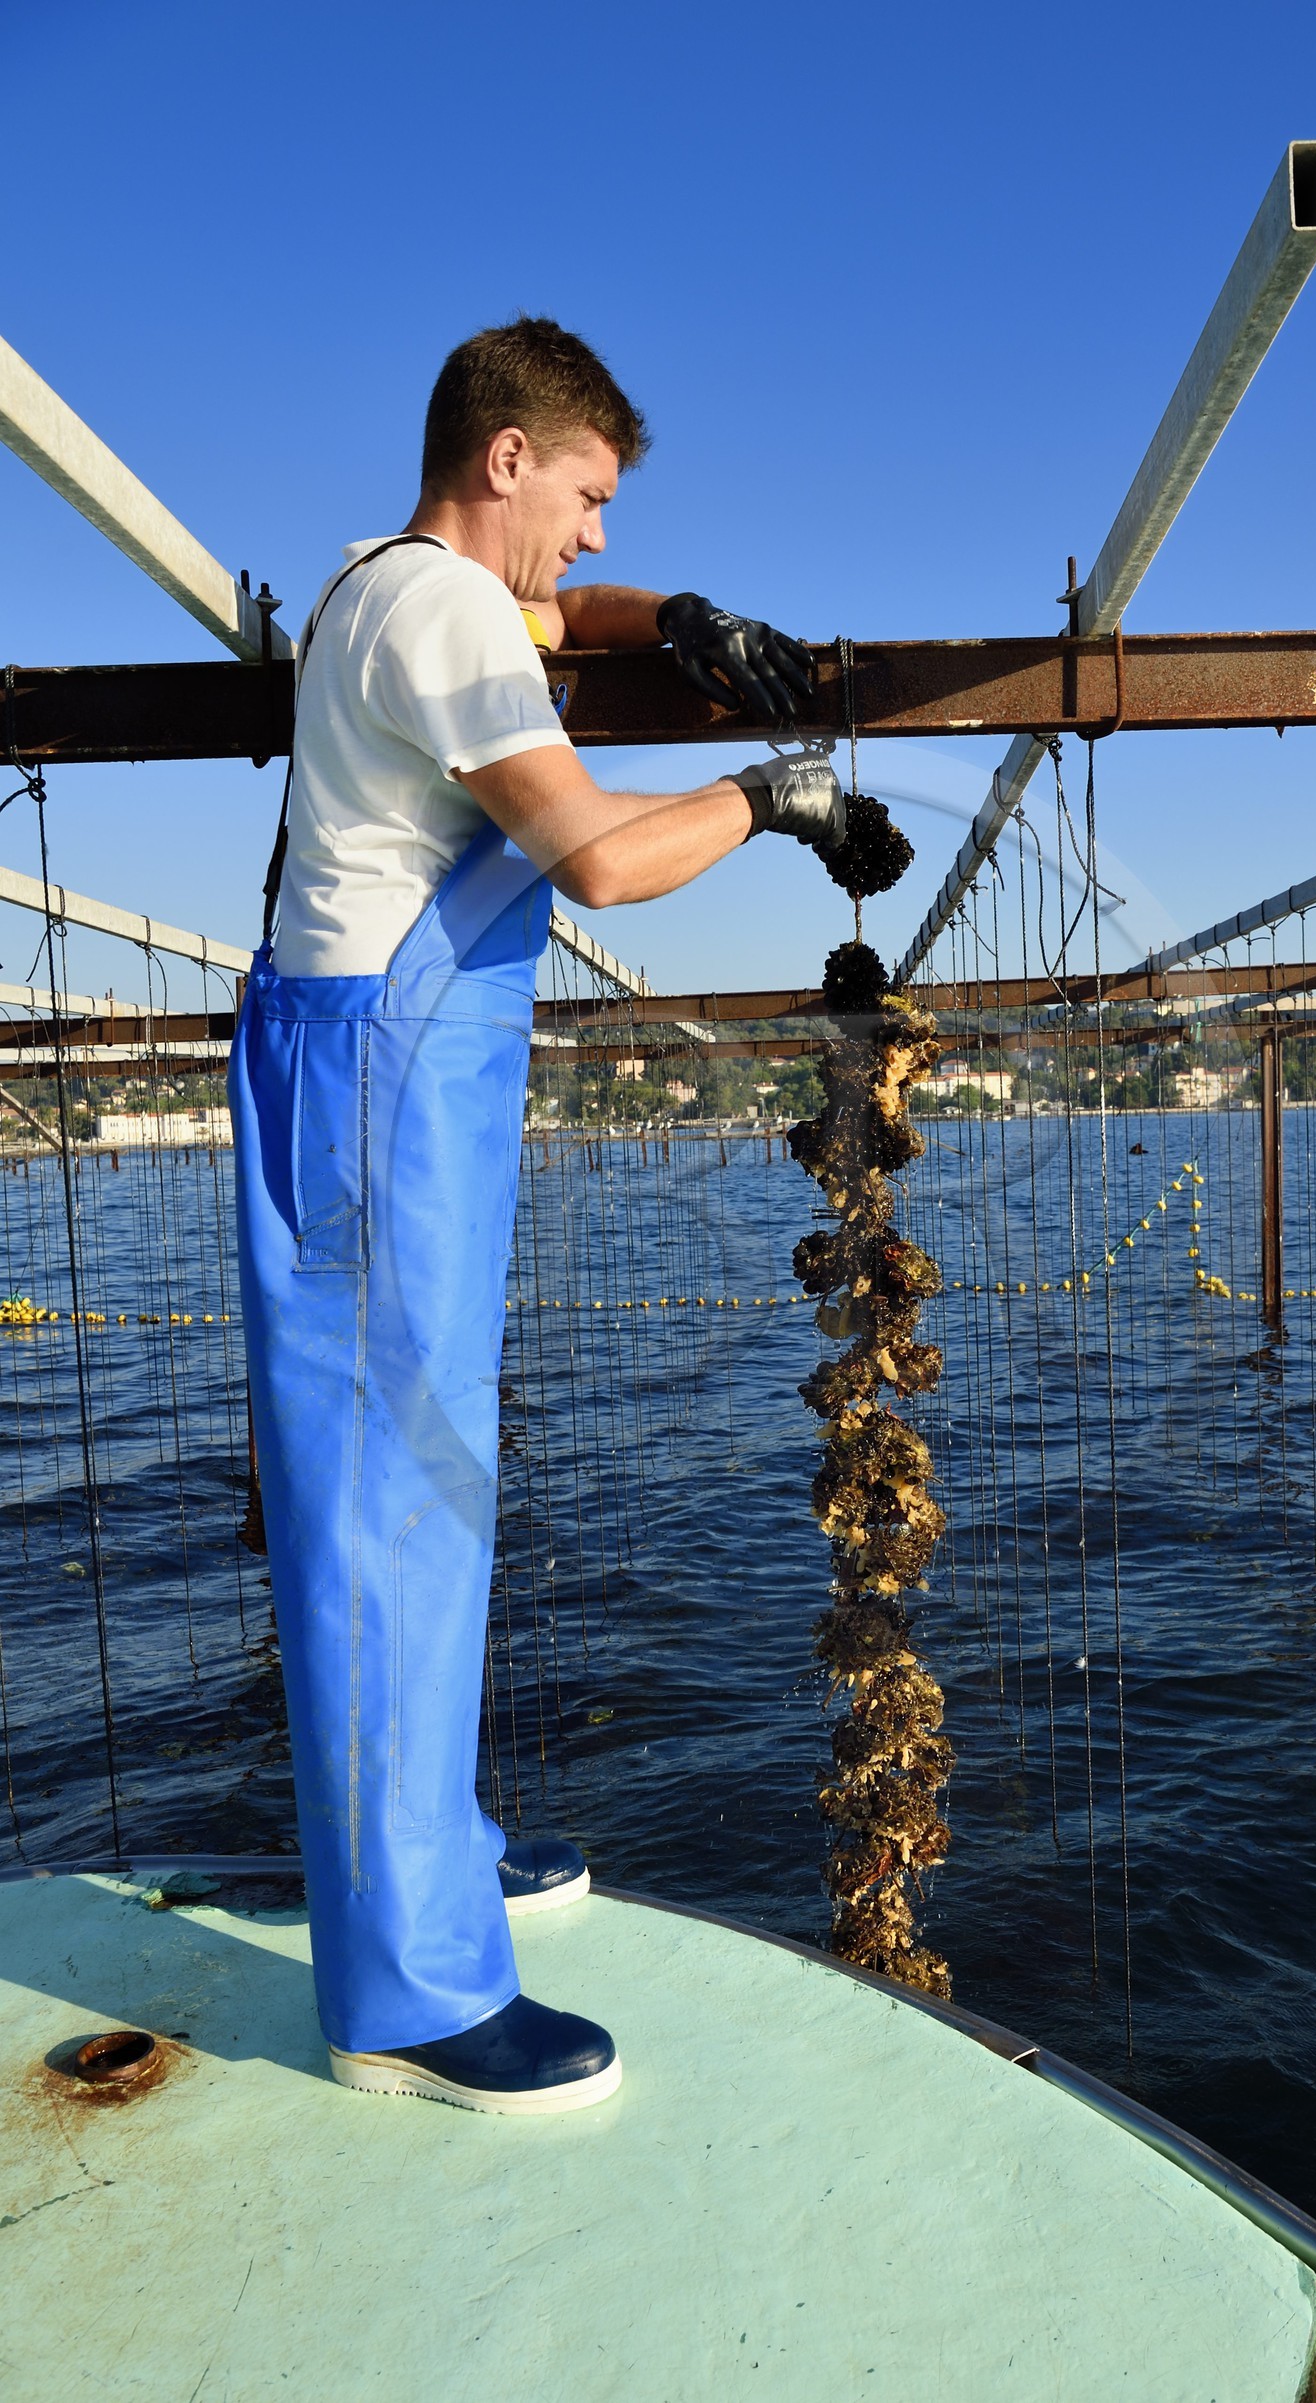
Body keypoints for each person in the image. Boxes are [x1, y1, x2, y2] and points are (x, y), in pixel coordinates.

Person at [228, 315, 843, 2117]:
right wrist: (772, 797)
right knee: (378, 1507)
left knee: (428, 1476)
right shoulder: (434, 614)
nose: (588, 538)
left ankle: (428, 1844)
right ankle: (404, 2003)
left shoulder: (398, 581)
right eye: (583, 495)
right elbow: (599, 857)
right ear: (505, 458)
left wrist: (683, 621)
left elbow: (570, 620)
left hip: (397, 1081)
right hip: (371, 1097)